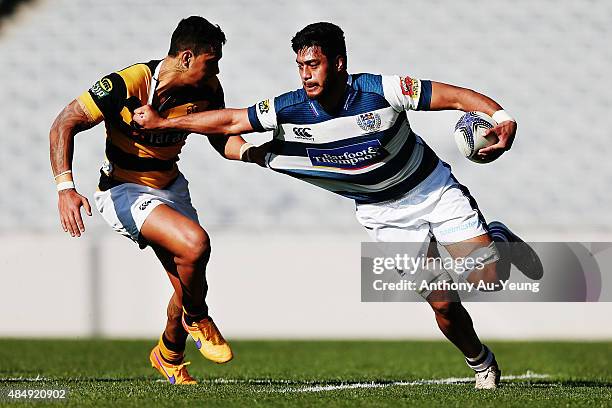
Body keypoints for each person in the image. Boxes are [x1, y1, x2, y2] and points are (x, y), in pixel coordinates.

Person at [133, 22, 543, 389]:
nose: (306, 73)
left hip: (431, 190)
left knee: (486, 279)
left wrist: (500, 115)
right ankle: (480, 361)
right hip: (382, 214)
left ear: (339, 63)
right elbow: (232, 121)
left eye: (313, 64)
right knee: (443, 306)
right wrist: (165, 123)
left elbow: (455, 97)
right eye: (300, 65)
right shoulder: (290, 106)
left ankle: (499, 238)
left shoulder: (383, 89)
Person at [49, 16, 252, 385]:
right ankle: (198, 318)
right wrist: (66, 188)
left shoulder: (208, 87)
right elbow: (64, 122)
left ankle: (170, 355)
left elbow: (221, 137)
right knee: (195, 244)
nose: (217, 69)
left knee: (186, 283)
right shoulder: (128, 83)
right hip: (123, 191)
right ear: (187, 57)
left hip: (171, 187)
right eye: (212, 61)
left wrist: (255, 153)